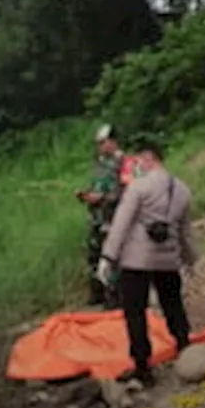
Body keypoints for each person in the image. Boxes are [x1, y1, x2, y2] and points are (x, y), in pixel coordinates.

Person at [97, 141, 197, 387]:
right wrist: (190, 260)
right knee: (173, 304)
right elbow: (186, 232)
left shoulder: (138, 187)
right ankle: (184, 347)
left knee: (135, 312)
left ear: (149, 159)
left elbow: (121, 224)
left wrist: (108, 256)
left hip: (136, 260)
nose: (136, 166)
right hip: (168, 260)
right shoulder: (182, 190)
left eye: (139, 161)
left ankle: (143, 366)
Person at [79, 124, 126, 310]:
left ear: (113, 142)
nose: (100, 147)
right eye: (98, 143)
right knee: (94, 256)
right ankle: (97, 293)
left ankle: (114, 297)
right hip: (97, 217)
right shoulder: (99, 164)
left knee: (112, 258)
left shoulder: (124, 163)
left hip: (114, 218)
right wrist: (87, 195)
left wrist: (104, 198)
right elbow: (97, 186)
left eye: (103, 142)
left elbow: (127, 190)